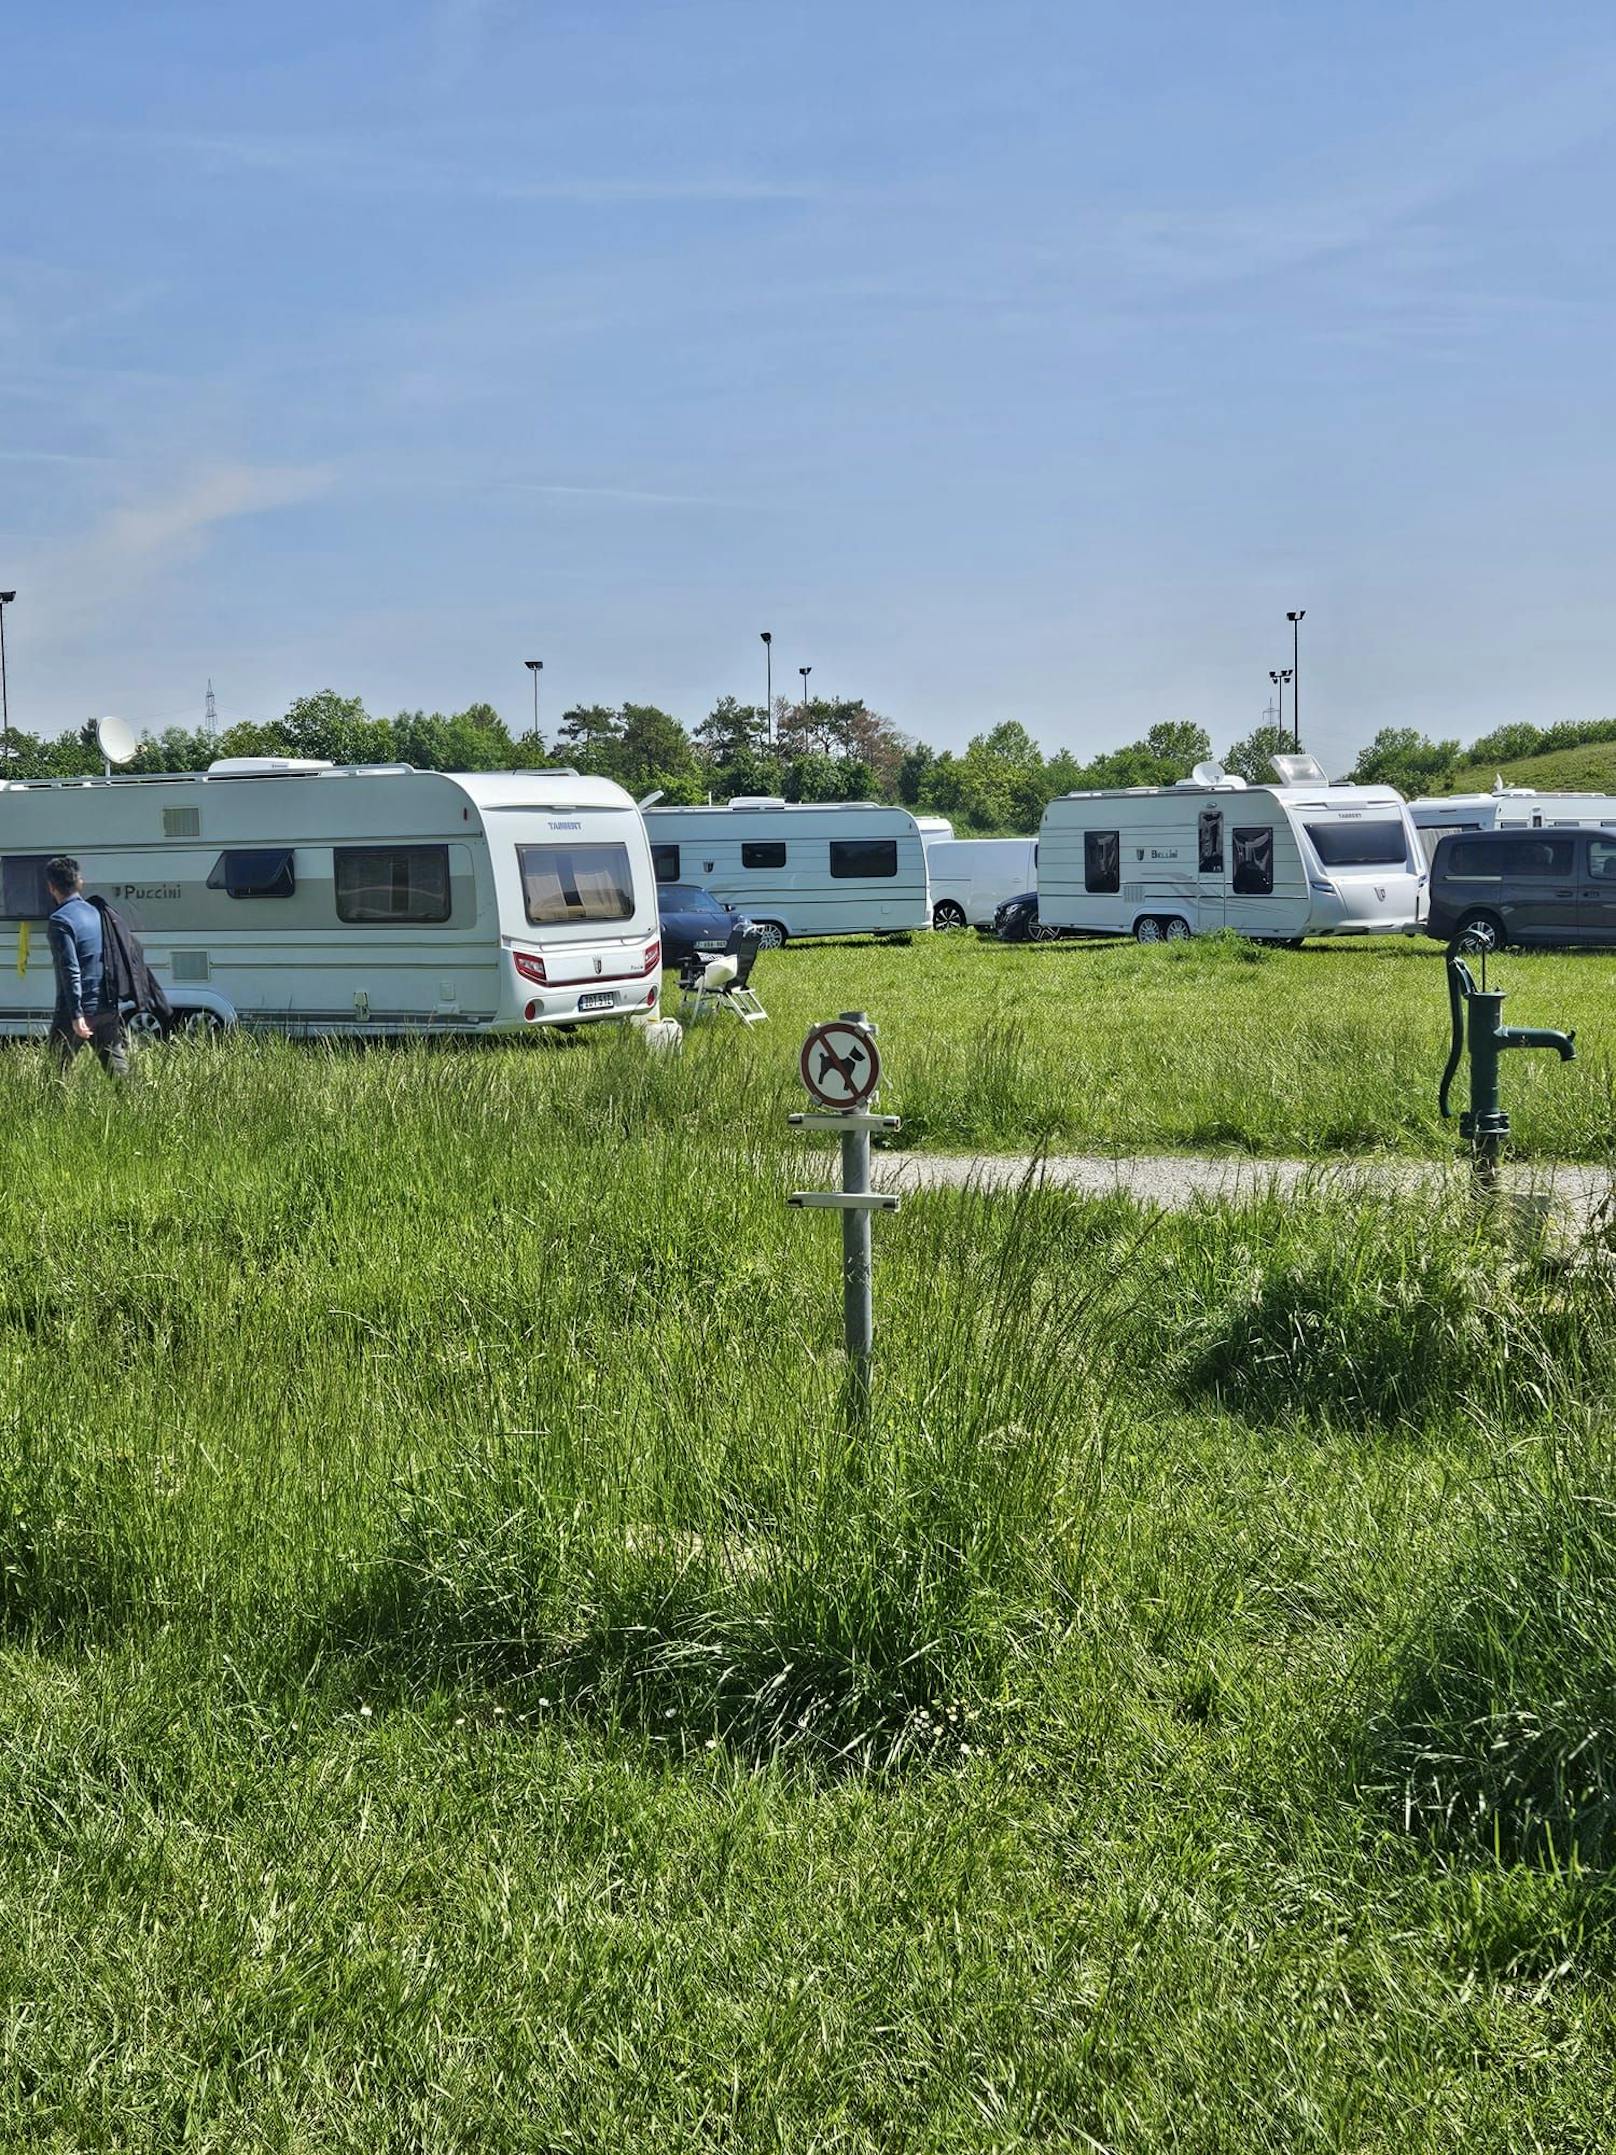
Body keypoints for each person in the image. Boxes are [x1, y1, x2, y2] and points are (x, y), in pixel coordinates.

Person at [44, 856, 129, 1079]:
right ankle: (139, 1111)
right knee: (120, 1074)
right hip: (106, 1006)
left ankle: (54, 1114)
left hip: (76, 1011)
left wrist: (76, 1014)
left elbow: (70, 970)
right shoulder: (97, 913)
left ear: (52, 887)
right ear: (79, 882)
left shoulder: (60, 920)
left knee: (54, 1076)